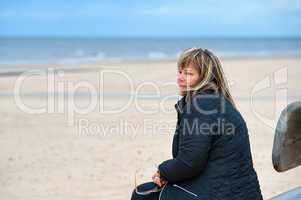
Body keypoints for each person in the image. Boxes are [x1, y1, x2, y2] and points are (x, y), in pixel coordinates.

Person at [131, 48, 263, 200]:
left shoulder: (201, 106)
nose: (180, 78)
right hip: (241, 192)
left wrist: (163, 172)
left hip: (222, 194)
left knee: (141, 194)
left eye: (188, 74)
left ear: (205, 78)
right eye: (180, 72)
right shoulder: (218, 101)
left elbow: (189, 163)